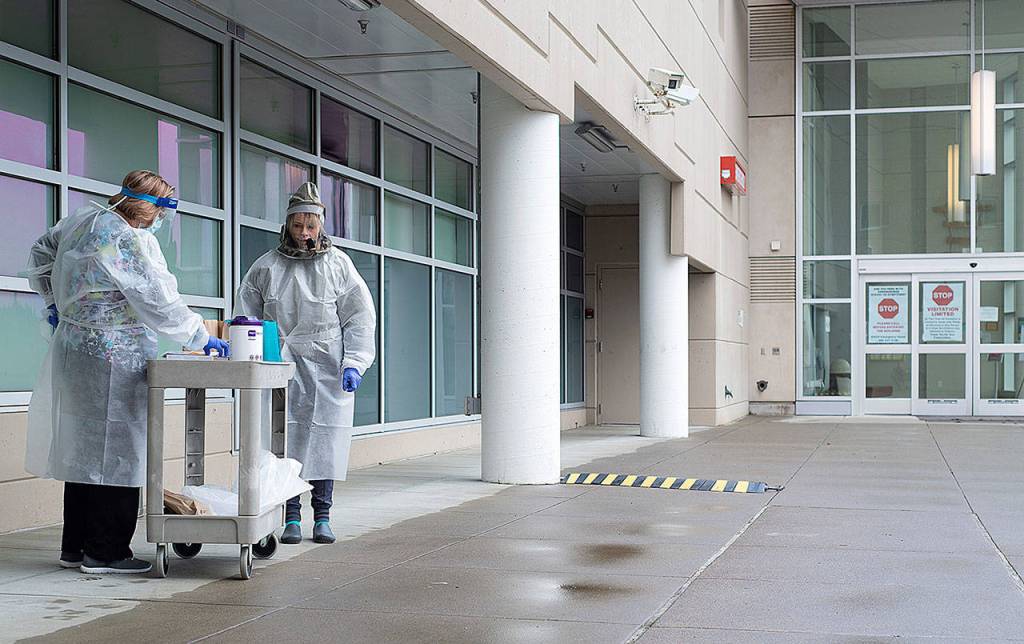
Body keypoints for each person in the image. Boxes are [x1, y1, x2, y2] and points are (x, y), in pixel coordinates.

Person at [25, 170, 229, 574]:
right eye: (163, 210)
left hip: (75, 349)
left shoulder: (83, 219)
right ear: (147, 207)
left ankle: (75, 547)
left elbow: (40, 252)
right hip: (114, 355)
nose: (162, 220)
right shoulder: (126, 238)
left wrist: (53, 300)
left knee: (83, 449)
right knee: (118, 451)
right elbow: (157, 297)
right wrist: (198, 335)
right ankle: (107, 552)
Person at [236, 182, 376, 545]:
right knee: (285, 440)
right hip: (280, 363)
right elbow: (246, 316)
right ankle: (292, 516)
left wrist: (354, 363)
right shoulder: (267, 266)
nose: (304, 233)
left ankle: (323, 515)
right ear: (287, 225)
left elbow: (359, 316)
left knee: (324, 439)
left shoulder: (338, 265)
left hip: (326, 363)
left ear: (321, 226)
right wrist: (249, 359)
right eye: (298, 225)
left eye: (310, 226)